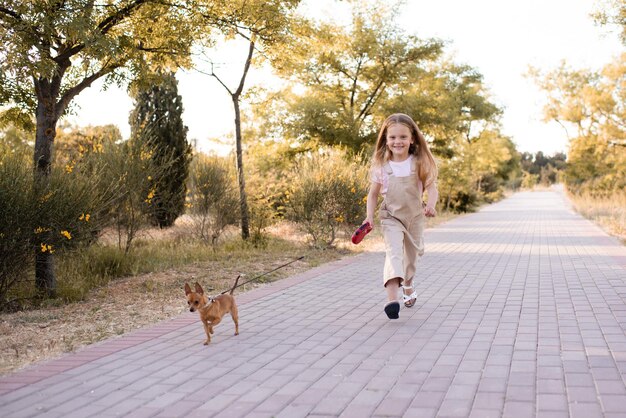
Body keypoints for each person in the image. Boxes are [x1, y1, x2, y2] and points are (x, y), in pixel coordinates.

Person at [364, 113, 438, 319]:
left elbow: (432, 189)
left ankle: (408, 284)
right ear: (386, 140)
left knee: (412, 258)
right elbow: (372, 195)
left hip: (415, 217)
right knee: (393, 253)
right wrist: (369, 217)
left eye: (403, 137)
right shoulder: (382, 166)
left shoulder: (420, 163)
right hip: (391, 218)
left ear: (412, 138)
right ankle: (392, 301)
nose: (398, 142)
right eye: (393, 137)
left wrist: (430, 205)